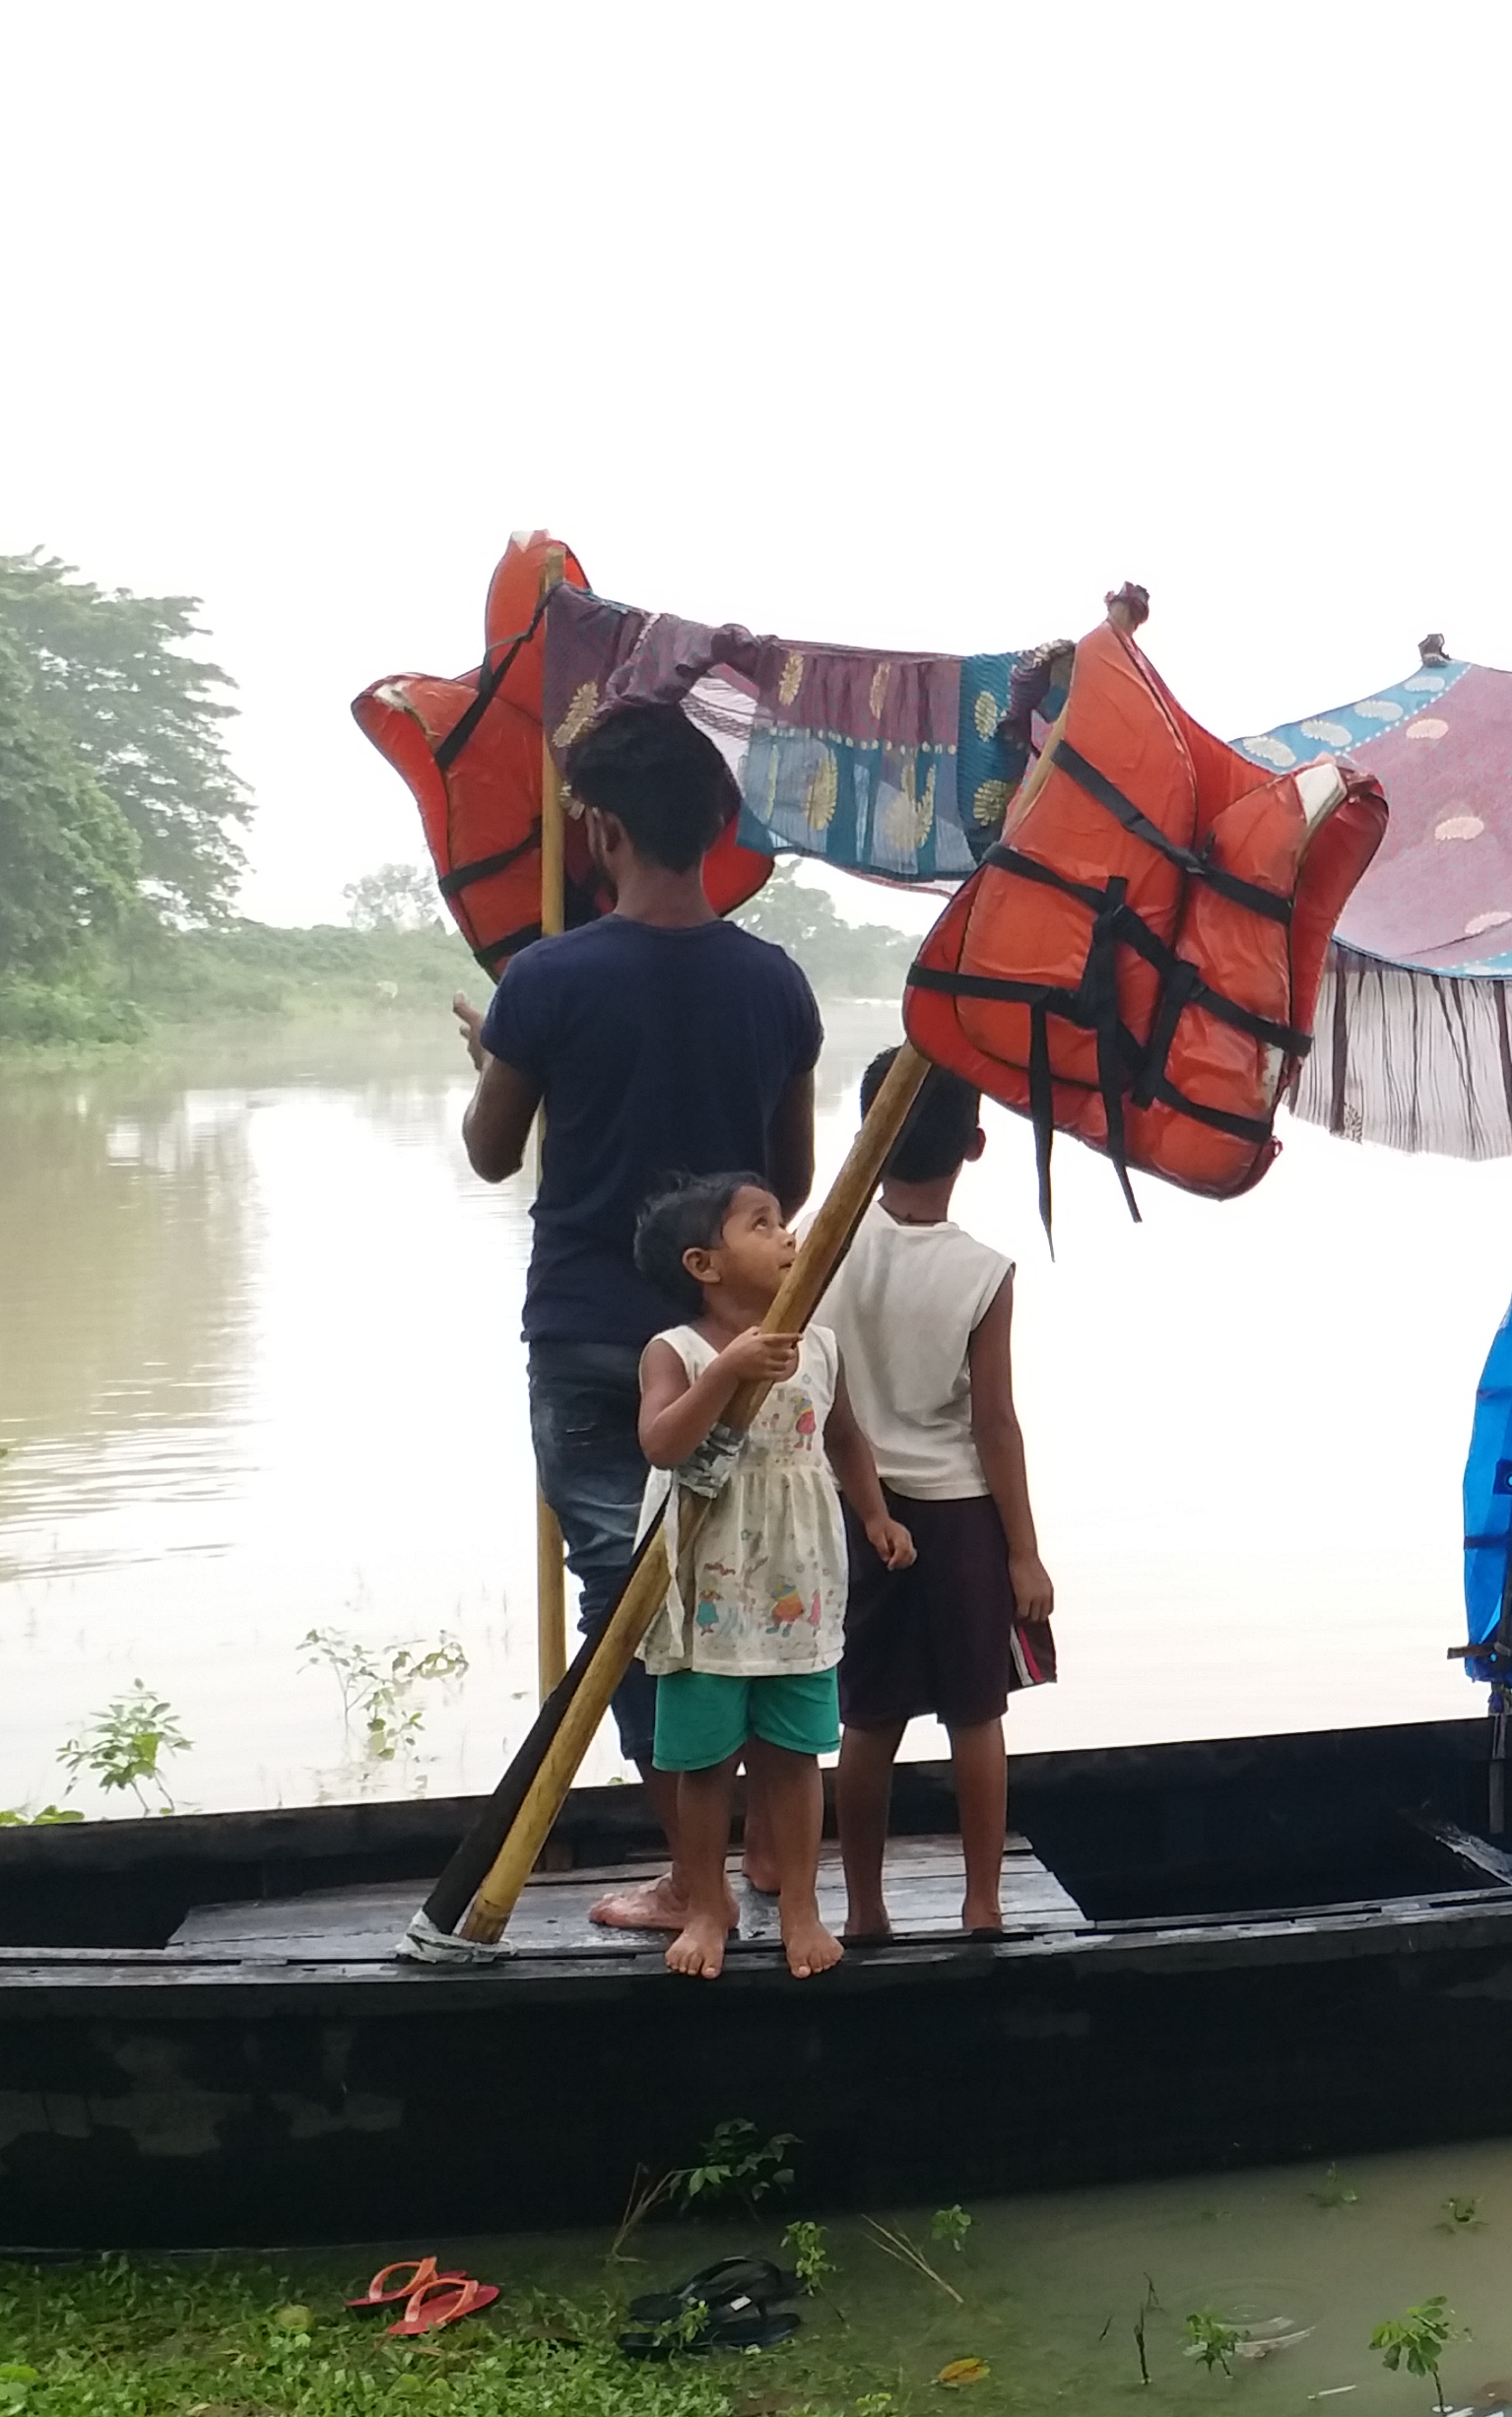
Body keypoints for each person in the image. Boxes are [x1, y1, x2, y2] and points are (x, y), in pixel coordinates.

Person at [453, 701, 821, 1933]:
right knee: (737, 1584)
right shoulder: (776, 983)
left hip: (591, 1337)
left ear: (598, 829)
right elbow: (794, 1183)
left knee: (633, 1610)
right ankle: (768, 1857)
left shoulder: (546, 981)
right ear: (717, 830)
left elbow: (494, 1154)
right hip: (724, 1345)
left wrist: (503, 1056)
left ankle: (690, 1879)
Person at [626, 1172, 910, 1979]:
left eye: (783, 1222)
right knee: (706, 1763)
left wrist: (877, 1515)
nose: (788, 1236)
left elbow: (846, 1437)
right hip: (707, 1591)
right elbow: (663, 1445)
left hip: (795, 1582)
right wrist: (727, 1373)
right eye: (762, 1225)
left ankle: (801, 1909)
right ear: (703, 1265)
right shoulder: (675, 1352)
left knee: (792, 1754)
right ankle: (709, 1905)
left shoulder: (817, 1343)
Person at [828, 1048, 1059, 1940]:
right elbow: (995, 1423)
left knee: (867, 1716)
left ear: (866, 1141)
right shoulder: (984, 1271)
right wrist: (1025, 1551)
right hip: (960, 1512)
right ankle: (983, 1904)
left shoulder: (822, 1252)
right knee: (976, 1714)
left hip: (859, 1510)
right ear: (975, 1143)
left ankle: (864, 1909)